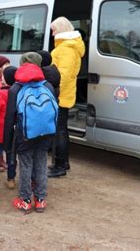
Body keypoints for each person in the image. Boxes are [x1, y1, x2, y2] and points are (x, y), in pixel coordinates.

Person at [3, 55, 57, 214]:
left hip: (25, 133)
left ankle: (25, 200)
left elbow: (9, 118)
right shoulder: (48, 85)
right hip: (46, 132)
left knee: (25, 165)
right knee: (41, 163)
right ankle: (40, 200)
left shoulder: (16, 88)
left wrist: (7, 144)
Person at [48, 17, 85, 178]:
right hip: (64, 94)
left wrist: (53, 93)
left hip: (60, 95)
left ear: (61, 29)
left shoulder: (66, 48)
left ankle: (60, 166)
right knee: (61, 130)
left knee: (59, 131)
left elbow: (63, 75)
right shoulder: (67, 46)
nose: (52, 33)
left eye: (54, 29)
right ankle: (63, 162)